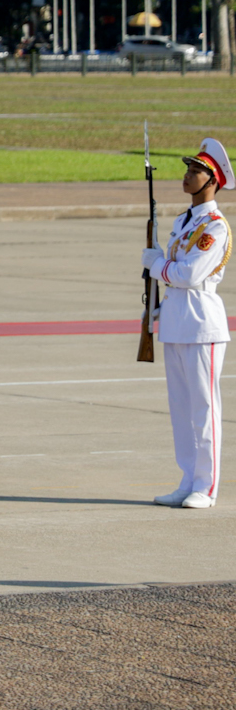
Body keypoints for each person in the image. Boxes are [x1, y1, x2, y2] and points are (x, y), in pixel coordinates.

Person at [146, 138, 232, 509]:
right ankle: (187, 479)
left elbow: (191, 273)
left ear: (212, 181)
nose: (187, 175)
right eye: (188, 169)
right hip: (177, 321)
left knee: (204, 409)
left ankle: (206, 486)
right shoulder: (184, 220)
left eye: (196, 171)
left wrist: (157, 264)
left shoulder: (215, 226)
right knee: (181, 409)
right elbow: (175, 272)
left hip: (202, 324)